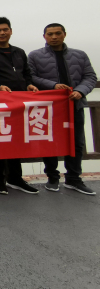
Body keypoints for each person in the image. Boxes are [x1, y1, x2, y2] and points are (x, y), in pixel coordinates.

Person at [28, 23, 97, 195]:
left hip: (74, 105)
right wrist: (53, 86)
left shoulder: (79, 55)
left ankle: (74, 178)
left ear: (64, 34)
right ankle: (52, 177)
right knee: (49, 142)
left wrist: (80, 91)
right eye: (50, 34)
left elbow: (90, 76)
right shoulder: (35, 56)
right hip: (49, 107)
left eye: (58, 33)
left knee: (76, 143)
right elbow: (31, 77)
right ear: (44, 36)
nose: (54, 37)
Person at [0, 17, 39, 195]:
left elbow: (27, 73)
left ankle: (15, 178)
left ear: (11, 31)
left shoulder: (19, 52)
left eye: (5, 29)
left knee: (17, 141)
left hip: (20, 105)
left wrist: (29, 84)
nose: (2, 33)